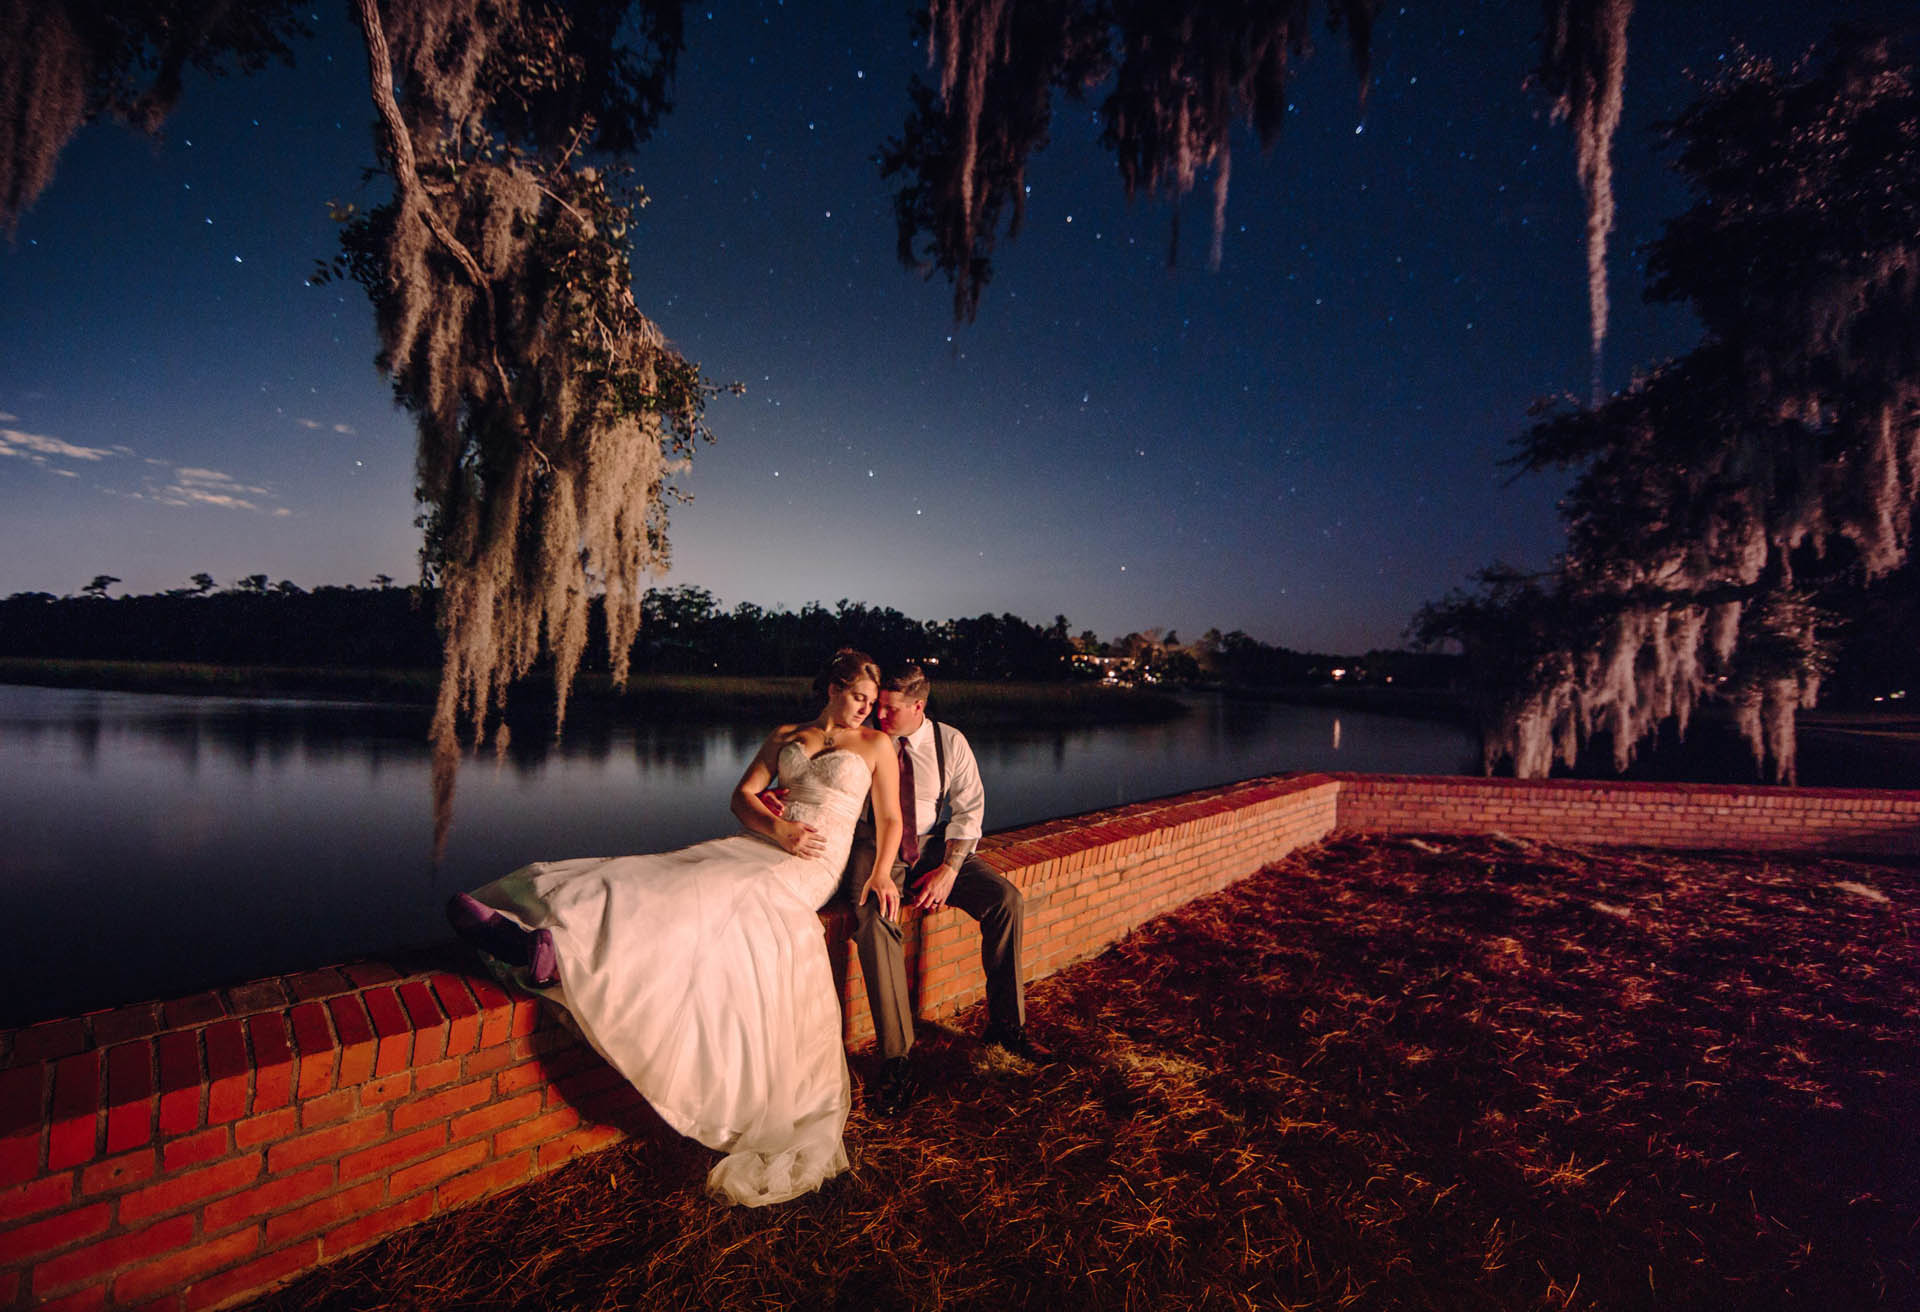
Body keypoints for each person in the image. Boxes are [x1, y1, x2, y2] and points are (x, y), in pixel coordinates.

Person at [445, 649, 903, 1207]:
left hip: (811, 868)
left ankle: (557, 951)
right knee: (661, 873)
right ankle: (545, 940)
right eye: (859, 697)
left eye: (872, 703)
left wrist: (881, 874)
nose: (867, 710)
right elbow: (741, 797)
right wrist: (776, 827)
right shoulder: (788, 732)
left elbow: (889, 820)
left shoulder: (877, 746)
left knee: (717, 893)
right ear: (834, 687)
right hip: (761, 843)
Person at [850, 663, 1040, 1114]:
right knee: (874, 921)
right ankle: (897, 1059)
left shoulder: (948, 741)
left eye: (890, 709)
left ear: (919, 706)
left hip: (936, 848)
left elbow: (969, 809)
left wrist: (951, 869)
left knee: (1005, 901)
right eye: (877, 706)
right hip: (878, 849)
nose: (879, 715)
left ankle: (1006, 1028)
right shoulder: (863, 740)